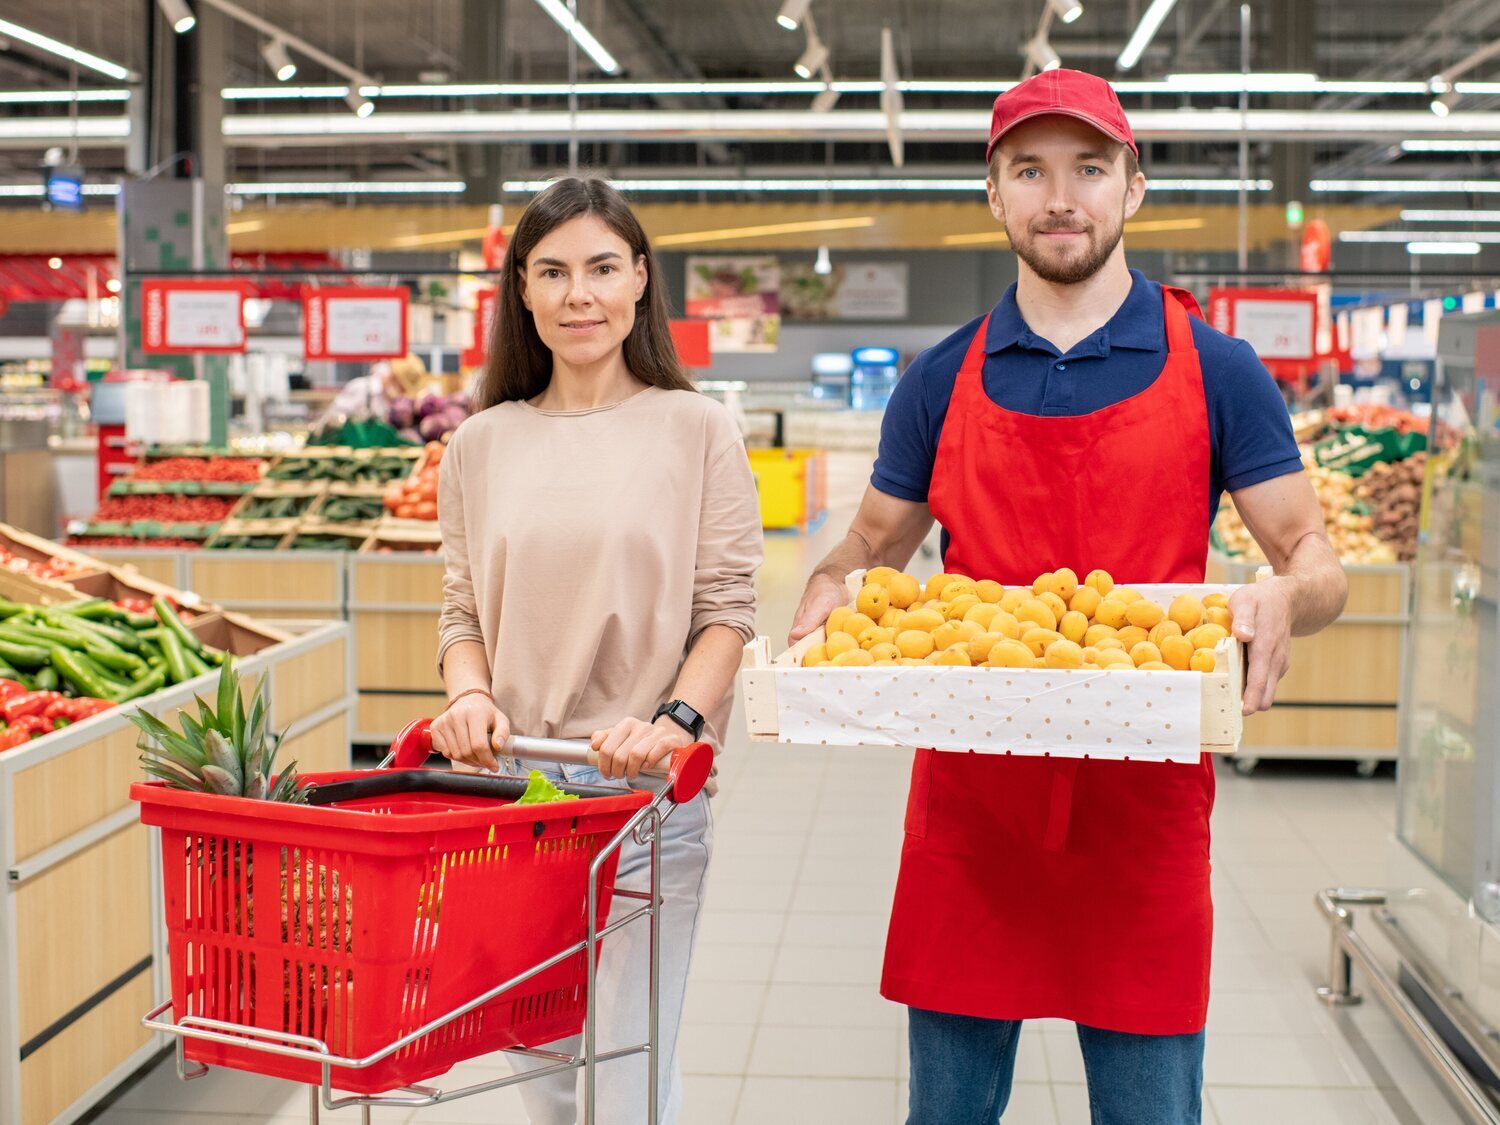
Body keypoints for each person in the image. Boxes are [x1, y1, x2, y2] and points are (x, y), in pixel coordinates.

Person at [789, 70, 1348, 1124]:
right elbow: (873, 538)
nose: (1061, 197)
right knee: (945, 1114)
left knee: (1151, 1112)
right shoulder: (940, 378)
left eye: (1090, 168)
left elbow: (1312, 554)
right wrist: (829, 589)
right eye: (1029, 170)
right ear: (993, 195)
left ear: (1132, 186)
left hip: (1144, 809)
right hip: (974, 807)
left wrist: (1288, 594)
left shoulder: (1217, 369)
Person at [431, 176, 761, 1124]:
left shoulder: (696, 428)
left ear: (640, 282)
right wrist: (468, 698)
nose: (580, 294)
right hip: (513, 791)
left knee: (626, 1067)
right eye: (555, 272)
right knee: (533, 1057)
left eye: (602, 268)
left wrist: (674, 721)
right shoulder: (480, 444)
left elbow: (727, 610)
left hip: (646, 793)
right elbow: (462, 616)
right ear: (524, 295)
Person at [321, 353, 431, 425]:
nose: (403, 394)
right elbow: (331, 421)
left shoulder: (398, 405)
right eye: (402, 388)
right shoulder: (361, 389)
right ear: (393, 378)